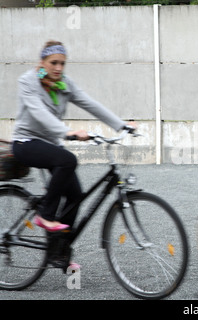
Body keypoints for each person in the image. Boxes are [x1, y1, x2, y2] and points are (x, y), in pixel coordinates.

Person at [12, 40, 136, 269]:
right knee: (68, 160)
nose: (58, 68)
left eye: (62, 63)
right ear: (42, 62)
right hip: (26, 142)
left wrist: (121, 125)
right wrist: (67, 131)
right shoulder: (28, 81)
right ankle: (46, 215)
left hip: (49, 145)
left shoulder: (64, 83)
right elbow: (39, 113)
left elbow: (90, 104)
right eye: (53, 63)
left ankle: (59, 254)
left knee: (75, 195)